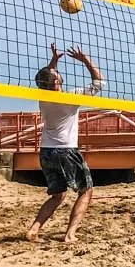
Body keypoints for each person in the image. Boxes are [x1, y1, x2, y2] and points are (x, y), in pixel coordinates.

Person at [26, 44, 104, 244]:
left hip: (46, 151)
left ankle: (34, 229)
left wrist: (54, 60)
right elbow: (99, 83)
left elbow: (46, 77)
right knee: (86, 190)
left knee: (58, 195)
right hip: (66, 151)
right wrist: (85, 59)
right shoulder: (70, 97)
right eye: (56, 73)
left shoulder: (42, 97)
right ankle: (70, 235)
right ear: (57, 81)